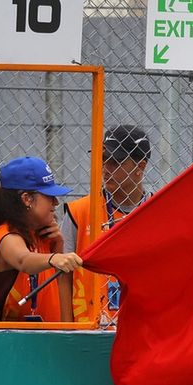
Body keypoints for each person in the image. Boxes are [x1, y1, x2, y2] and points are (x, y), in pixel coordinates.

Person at [0, 156, 83, 322]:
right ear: (27, 199)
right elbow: (23, 260)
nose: (55, 203)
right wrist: (55, 258)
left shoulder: (40, 235)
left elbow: (61, 304)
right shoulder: (6, 235)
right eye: (49, 196)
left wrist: (58, 247)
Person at [63, 125, 151, 325]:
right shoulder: (80, 211)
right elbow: (63, 276)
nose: (105, 169)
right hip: (87, 329)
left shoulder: (158, 212)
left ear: (140, 167)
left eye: (116, 162)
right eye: (103, 160)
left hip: (142, 330)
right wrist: (67, 328)